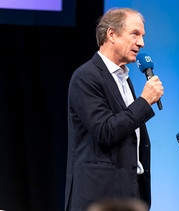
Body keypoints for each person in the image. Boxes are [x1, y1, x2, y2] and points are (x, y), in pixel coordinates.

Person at [64, 8, 164, 211]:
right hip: (100, 195)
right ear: (111, 34)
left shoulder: (123, 77)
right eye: (135, 34)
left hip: (130, 190)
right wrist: (144, 102)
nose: (141, 43)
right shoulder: (86, 76)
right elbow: (105, 131)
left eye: (142, 36)